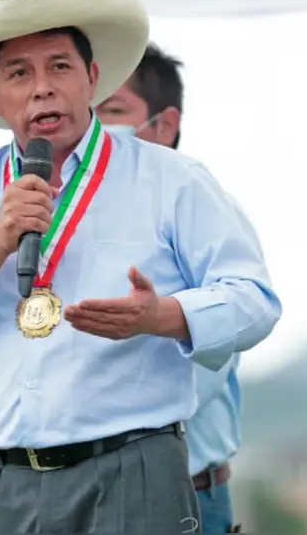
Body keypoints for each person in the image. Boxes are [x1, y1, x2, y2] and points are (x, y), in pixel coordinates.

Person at [0, 0, 282, 533]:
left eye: (60, 66)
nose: (42, 89)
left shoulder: (170, 177)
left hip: (132, 468)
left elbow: (255, 301)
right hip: (3, 480)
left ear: (93, 78)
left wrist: (163, 315)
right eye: (19, 73)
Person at [97, 43, 252, 533]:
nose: (94, 130)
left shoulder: (201, 207)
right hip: (83, 502)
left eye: (112, 112)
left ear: (163, 125)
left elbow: (234, 324)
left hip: (182, 498)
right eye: (87, 113)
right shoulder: (69, 220)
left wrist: (160, 317)